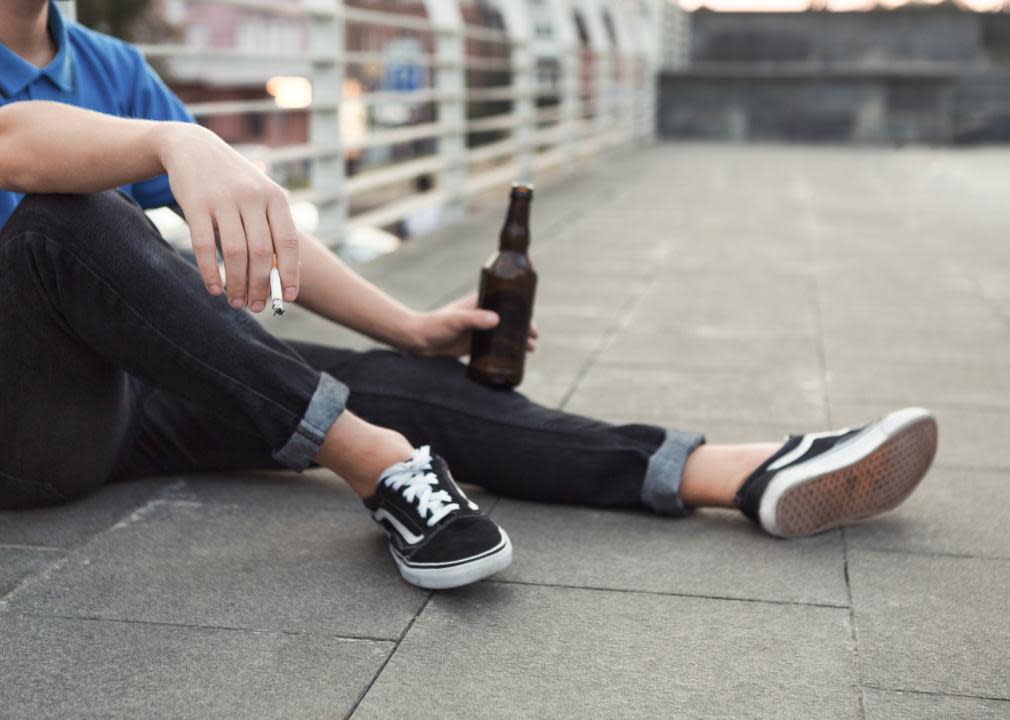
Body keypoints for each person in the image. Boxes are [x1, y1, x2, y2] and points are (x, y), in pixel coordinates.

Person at [0, 1, 938, 590]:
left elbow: (281, 246)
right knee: (64, 223)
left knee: (401, 379)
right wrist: (181, 145)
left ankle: (736, 472)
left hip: (118, 400)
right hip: (20, 425)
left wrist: (410, 325)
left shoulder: (109, 62)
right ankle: (374, 462)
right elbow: (21, 146)